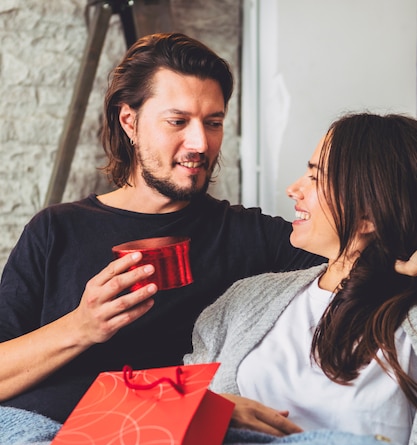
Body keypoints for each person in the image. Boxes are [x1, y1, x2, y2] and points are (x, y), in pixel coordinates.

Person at [0, 32, 325, 424]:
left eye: (214, 122)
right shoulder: (55, 231)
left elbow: (362, 264)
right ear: (129, 122)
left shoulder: (250, 236)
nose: (200, 143)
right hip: (49, 443)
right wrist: (82, 326)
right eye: (178, 121)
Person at [184, 112, 417, 445]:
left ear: (369, 213)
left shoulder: (407, 323)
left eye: (316, 177)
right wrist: (213, 410)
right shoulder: (245, 301)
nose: (293, 189)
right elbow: (175, 409)